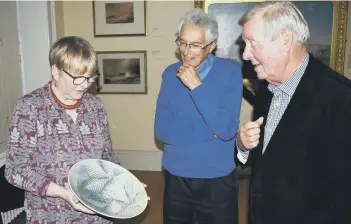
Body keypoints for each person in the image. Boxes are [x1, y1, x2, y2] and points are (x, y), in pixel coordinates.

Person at [236, 2, 351, 224]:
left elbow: (343, 202)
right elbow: (269, 157)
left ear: (285, 40)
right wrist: (243, 145)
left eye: (252, 43)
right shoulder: (268, 85)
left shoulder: (341, 100)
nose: (247, 54)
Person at [5, 36, 119, 223]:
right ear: (56, 72)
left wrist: (122, 182)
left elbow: (106, 157)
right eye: (77, 77)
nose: (84, 84)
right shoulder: (30, 108)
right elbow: (15, 169)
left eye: (90, 77)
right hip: (51, 214)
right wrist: (63, 193)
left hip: (96, 214)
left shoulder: (96, 107)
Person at [155, 8, 243, 224]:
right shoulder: (169, 73)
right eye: (182, 42)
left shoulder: (231, 72)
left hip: (217, 176)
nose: (186, 51)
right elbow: (162, 129)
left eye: (194, 45)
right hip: (177, 174)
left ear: (211, 46)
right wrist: (207, 132)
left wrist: (196, 86)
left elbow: (226, 129)